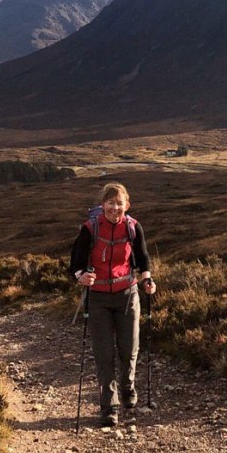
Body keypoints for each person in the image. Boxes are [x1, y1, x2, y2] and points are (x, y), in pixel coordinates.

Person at [69, 182, 156, 427]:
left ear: (127, 205)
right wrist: (81, 277)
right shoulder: (90, 229)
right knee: (103, 355)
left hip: (127, 295)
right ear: (102, 204)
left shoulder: (133, 227)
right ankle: (109, 407)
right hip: (98, 298)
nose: (114, 208)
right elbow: (75, 264)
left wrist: (147, 279)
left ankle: (127, 386)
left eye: (119, 203)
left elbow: (143, 258)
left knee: (129, 349)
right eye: (110, 202)